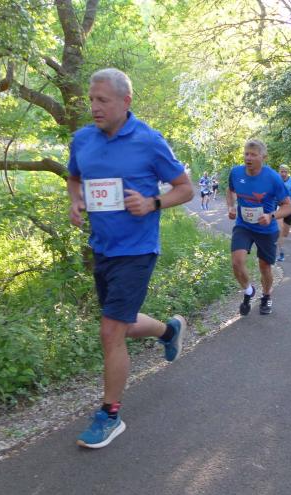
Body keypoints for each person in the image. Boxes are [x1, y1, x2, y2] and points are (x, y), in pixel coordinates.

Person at [67, 68, 194, 448]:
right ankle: (169, 331)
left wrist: (153, 202)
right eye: (91, 99)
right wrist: (75, 200)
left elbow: (185, 188)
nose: (94, 107)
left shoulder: (149, 141)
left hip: (137, 249)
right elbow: (74, 178)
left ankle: (110, 415)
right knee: (119, 324)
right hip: (102, 247)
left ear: (126, 101)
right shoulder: (82, 139)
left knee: (110, 332)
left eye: (102, 100)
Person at [227, 139, 291, 315]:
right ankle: (249, 291)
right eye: (246, 154)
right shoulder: (235, 172)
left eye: (253, 155)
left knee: (265, 267)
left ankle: (266, 296)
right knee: (237, 261)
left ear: (263, 157)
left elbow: (288, 207)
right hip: (243, 225)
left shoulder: (273, 178)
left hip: (266, 229)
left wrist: (271, 216)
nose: (248, 158)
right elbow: (230, 190)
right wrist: (231, 206)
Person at [276, 164, 291, 262]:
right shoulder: (275, 180)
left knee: (285, 233)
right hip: (278, 207)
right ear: (279, 171)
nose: (283, 174)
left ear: (288, 172)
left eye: (285, 171)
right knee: (280, 230)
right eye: (281, 171)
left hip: (290, 208)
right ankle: (281, 253)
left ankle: (278, 241)